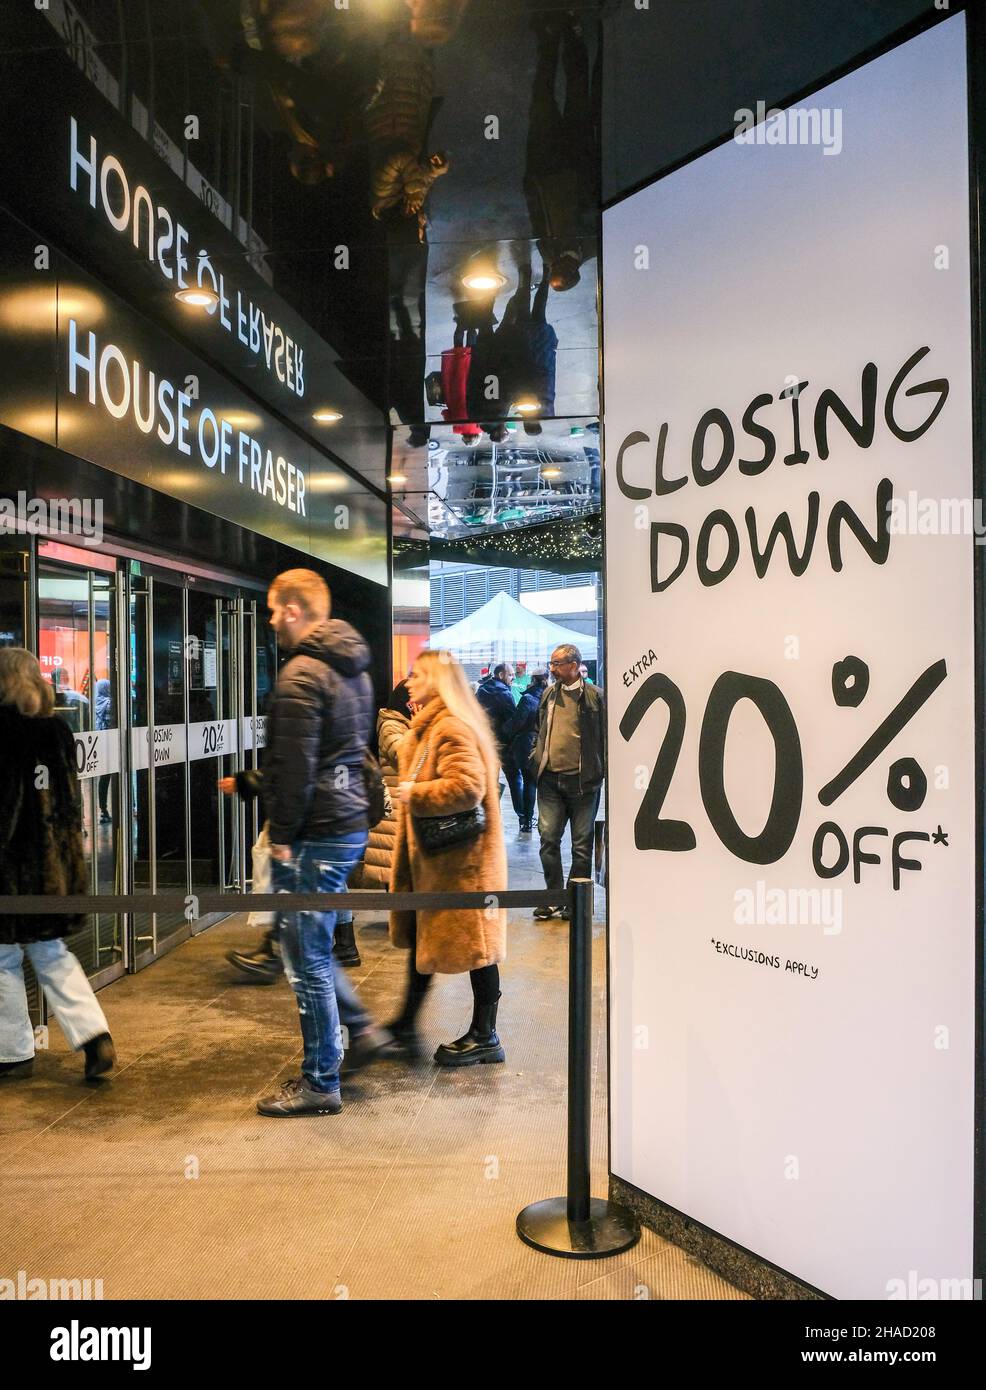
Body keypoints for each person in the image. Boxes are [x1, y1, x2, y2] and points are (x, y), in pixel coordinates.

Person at [252, 569, 390, 1117]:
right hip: (349, 823)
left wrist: (281, 836)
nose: (268, 620)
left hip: (316, 832)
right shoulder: (352, 666)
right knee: (312, 945)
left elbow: (295, 767)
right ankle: (354, 1033)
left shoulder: (301, 675)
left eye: (271, 609)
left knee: (304, 959)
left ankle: (319, 1082)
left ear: (292, 610)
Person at [0, 648, 115, 1082]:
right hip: (56, 865)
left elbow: (6, 810)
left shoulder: (4, 731)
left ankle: (12, 1052)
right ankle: (93, 1036)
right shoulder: (58, 729)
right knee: (52, 952)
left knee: (2, 956)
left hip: (11, 870)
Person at [388, 649, 507, 1064]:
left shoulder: (450, 727)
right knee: (430, 940)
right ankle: (404, 1023)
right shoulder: (433, 726)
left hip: (462, 865)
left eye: (417, 675)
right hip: (443, 863)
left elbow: (467, 787)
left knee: (478, 948)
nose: (409, 681)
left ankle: (485, 1035)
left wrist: (412, 794)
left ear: (437, 682)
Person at [531, 644, 604, 921]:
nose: (552, 669)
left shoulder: (596, 697)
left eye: (557, 663)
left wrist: (600, 769)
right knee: (548, 840)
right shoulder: (549, 694)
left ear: (574, 665)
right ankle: (553, 898)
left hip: (584, 783)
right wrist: (535, 757)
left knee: (581, 846)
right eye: (551, 663)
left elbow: (605, 739)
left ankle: (575, 903)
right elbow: (539, 729)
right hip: (550, 780)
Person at [503, 670, 547, 834]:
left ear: (532, 680)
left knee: (527, 781)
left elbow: (516, 723)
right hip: (542, 744)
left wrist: (503, 729)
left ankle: (526, 821)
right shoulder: (548, 697)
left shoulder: (528, 699)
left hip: (525, 745)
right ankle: (533, 819)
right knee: (534, 783)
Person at [476, 661, 520, 809]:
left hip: (486, 743)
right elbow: (513, 719)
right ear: (501, 675)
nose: (513, 677)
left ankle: (490, 813)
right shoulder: (504, 693)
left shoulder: (481, 690)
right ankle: (523, 819)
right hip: (505, 744)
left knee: (489, 780)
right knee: (515, 779)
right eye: (511, 674)